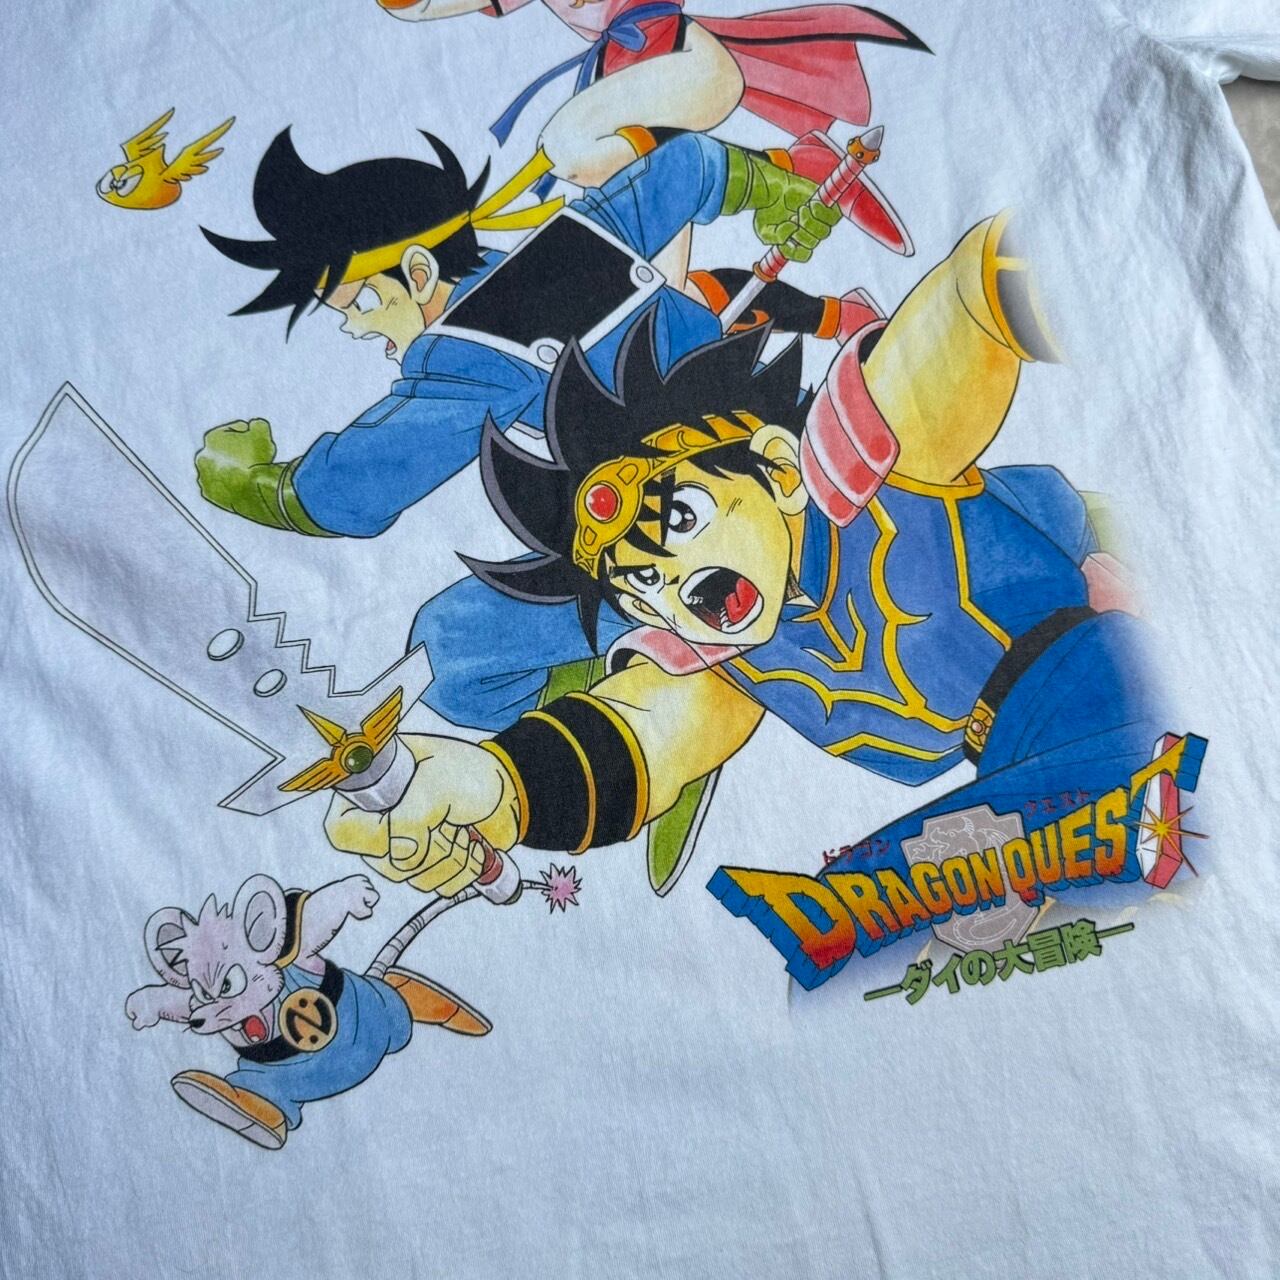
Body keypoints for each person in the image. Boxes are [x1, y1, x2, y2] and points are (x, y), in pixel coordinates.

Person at [321, 213, 1192, 905]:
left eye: (681, 520)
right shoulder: (732, 648)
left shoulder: (869, 467)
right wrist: (497, 785)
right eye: (641, 586)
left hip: (1110, 673)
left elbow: (971, 301)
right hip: (1029, 786)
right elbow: (650, 733)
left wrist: (1107, 298)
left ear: (775, 467)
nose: (673, 590)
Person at [196, 126, 863, 725]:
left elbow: (356, 487)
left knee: (445, 649)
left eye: (359, 300)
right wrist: (770, 190)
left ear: (420, 273)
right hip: (779, 443)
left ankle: (624, 689)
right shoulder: (574, 240)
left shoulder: (468, 352)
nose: (353, 326)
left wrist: (251, 479)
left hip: (653, 547)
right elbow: (687, 163)